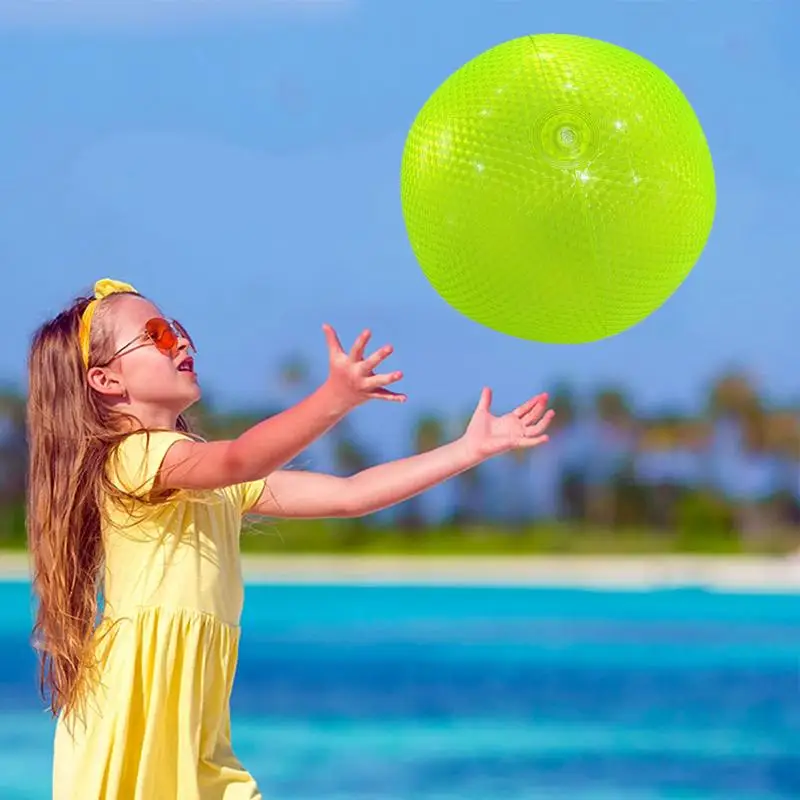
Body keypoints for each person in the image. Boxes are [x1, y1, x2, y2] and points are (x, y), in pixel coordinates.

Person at [26, 278, 554, 799]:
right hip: (133, 718)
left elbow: (351, 495)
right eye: (158, 335)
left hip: (195, 734)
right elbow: (238, 457)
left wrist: (468, 450)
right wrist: (333, 399)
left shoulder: (214, 486)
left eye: (178, 330)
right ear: (105, 380)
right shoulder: (132, 458)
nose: (181, 342)